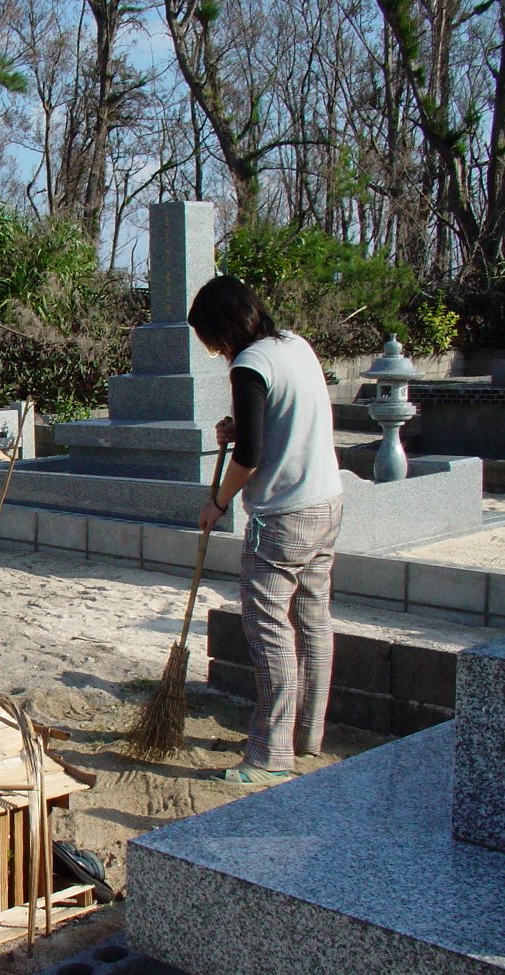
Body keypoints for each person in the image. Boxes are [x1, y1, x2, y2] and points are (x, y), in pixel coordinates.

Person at [188, 276, 344, 786]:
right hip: (327, 502)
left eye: (207, 338)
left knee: (270, 629)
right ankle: (307, 736)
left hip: (283, 517)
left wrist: (218, 501)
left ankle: (272, 756)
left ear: (221, 329)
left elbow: (250, 457)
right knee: (314, 621)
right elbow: (279, 422)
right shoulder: (296, 345)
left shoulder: (249, 364)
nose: (211, 350)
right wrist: (240, 428)